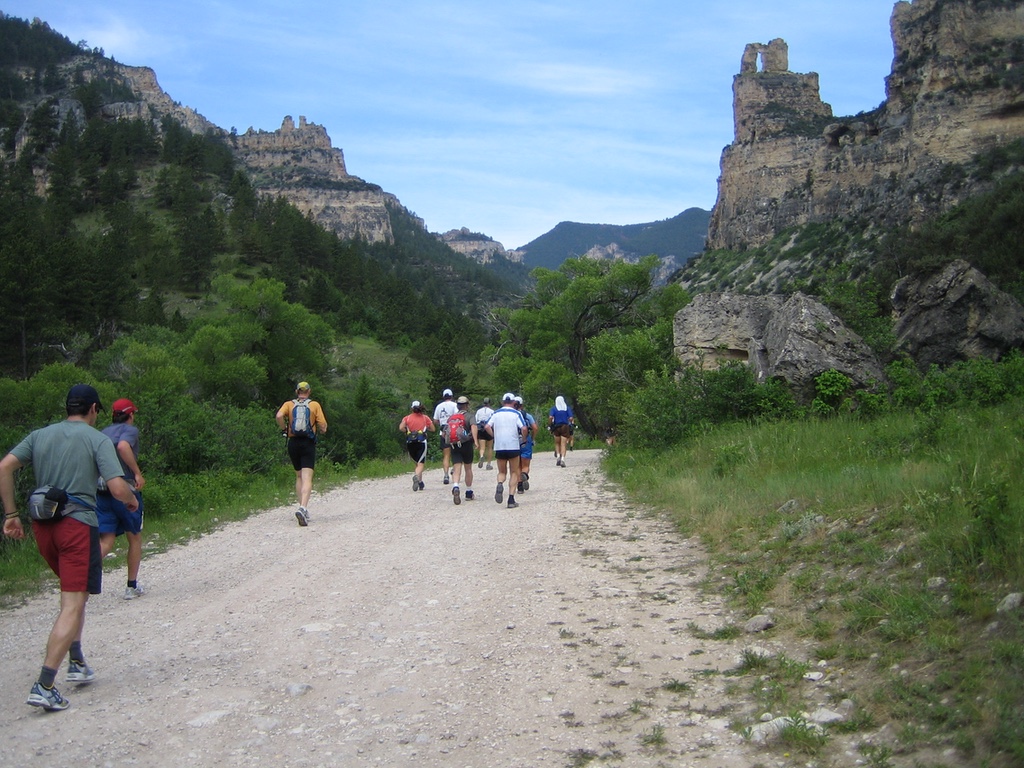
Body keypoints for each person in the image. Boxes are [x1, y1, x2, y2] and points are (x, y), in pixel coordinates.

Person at [1, 384, 139, 712]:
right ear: (93, 409)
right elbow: (117, 486)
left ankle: (76, 661)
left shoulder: (40, 435)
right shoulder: (96, 439)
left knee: (74, 596)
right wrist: (132, 500)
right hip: (77, 525)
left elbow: (5, 467)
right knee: (73, 604)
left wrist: (10, 514)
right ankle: (45, 684)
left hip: (43, 526)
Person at [96, 398, 146, 600]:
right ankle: (131, 586)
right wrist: (137, 473)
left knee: (106, 540)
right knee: (134, 537)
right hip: (124, 489)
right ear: (131, 415)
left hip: (102, 489)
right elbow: (124, 447)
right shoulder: (129, 432)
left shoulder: (102, 433)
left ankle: (77, 580)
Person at [275, 381, 328, 526]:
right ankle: (303, 507)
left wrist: (284, 428)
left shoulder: (289, 404)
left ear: (297, 391)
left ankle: (302, 507)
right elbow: (323, 426)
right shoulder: (314, 405)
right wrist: (322, 429)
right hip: (308, 443)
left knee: (298, 475)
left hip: (293, 443)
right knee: (307, 476)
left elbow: (279, 416)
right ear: (309, 391)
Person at [485, 393, 527, 509]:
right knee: (514, 472)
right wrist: (523, 439)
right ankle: (511, 499)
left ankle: (499, 483)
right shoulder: (516, 413)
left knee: (502, 472)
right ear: (514, 402)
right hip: (513, 446)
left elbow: (487, 426)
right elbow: (523, 428)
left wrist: (494, 436)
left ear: (502, 402)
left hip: (500, 446)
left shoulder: (496, 413)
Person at [446, 396, 477, 504]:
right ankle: (469, 492)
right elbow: (473, 428)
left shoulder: (451, 417)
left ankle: (456, 486)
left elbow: (445, 433)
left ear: (458, 405)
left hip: (454, 445)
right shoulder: (470, 416)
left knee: (456, 467)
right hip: (466, 444)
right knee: (468, 468)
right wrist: (476, 441)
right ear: (467, 405)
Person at [398, 400, 434, 491]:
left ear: (411, 408)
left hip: (410, 442)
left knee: (416, 463)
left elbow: (401, 428)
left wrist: (407, 431)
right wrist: (426, 429)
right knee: (421, 463)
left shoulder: (407, 418)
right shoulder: (425, 418)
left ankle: (420, 483)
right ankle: (416, 477)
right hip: (421, 442)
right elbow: (433, 429)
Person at [432, 388, 458, 485]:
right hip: (454, 432)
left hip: (443, 433)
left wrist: (442, 422)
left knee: (446, 455)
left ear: (443, 397)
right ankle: (454, 469)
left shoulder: (439, 406)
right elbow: (457, 416)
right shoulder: (455, 405)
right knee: (456, 453)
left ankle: (446, 474)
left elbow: (435, 420)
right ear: (451, 396)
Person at [514, 396, 538, 494]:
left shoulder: (512, 415)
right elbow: (535, 428)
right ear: (522, 405)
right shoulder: (527, 415)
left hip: (514, 440)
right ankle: (525, 474)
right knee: (525, 464)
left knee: (517, 465)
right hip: (525, 439)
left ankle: (519, 487)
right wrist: (532, 438)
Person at [549, 395, 575, 467]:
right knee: (563, 444)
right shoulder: (567, 408)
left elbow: (551, 417)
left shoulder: (554, 409)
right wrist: (568, 421)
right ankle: (563, 459)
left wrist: (551, 424)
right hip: (565, 426)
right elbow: (571, 418)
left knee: (557, 443)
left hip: (556, 427)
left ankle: (558, 457)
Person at [474, 397, 495, 469]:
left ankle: (481, 456)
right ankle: (488, 464)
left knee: (482, 447)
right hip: (488, 429)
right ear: (489, 403)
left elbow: (476, 420)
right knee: (489, 447)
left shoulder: (478, 411)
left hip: (480, 429)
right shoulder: (492, 411)